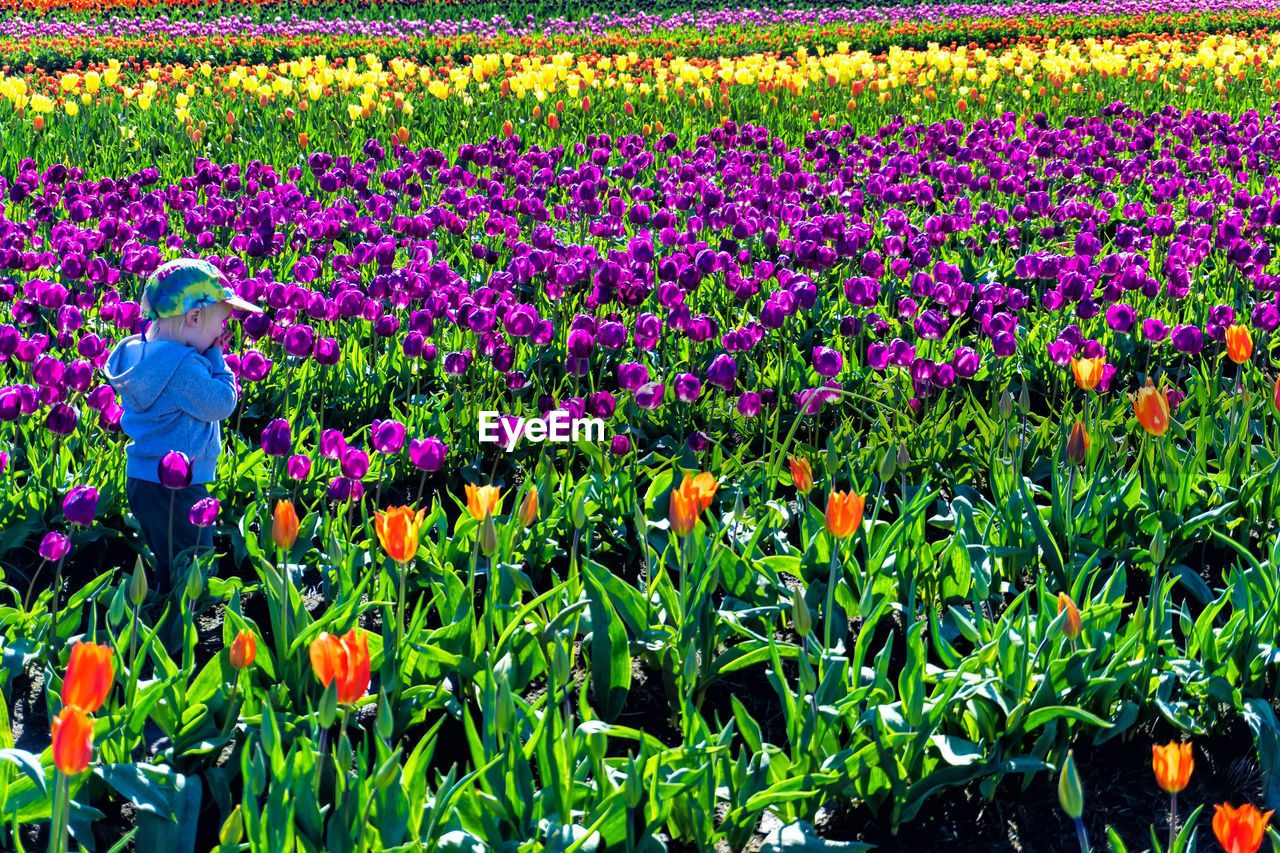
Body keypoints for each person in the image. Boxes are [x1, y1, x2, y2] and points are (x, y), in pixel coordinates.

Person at [105, 258, 263, 598]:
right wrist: (217, 360)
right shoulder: (183, 368)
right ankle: (178, 636)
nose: (222, 334)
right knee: (194, 570)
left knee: (169, 561)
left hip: (143, 479)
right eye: (220, 325)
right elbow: (222, 402)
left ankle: (159, 611)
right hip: (178, 484)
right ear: (193, 318)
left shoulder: (139, 355)